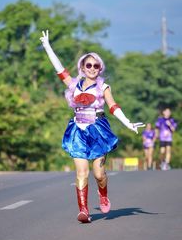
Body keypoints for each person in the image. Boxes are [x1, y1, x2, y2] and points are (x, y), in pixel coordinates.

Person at [40, 30, 145, 223]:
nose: (92, 68)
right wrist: (47, 46)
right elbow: (59, 68)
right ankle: (84, 211)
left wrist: (128, 123)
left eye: (96, 65)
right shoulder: (73, 84)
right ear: (82, 67)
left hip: (97, 130)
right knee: (81, 172)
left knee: (98, 173)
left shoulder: (103, 87)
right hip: (78, 130)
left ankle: (103, 193)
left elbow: (113, 106)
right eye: (89, 65)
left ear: (100, 68)